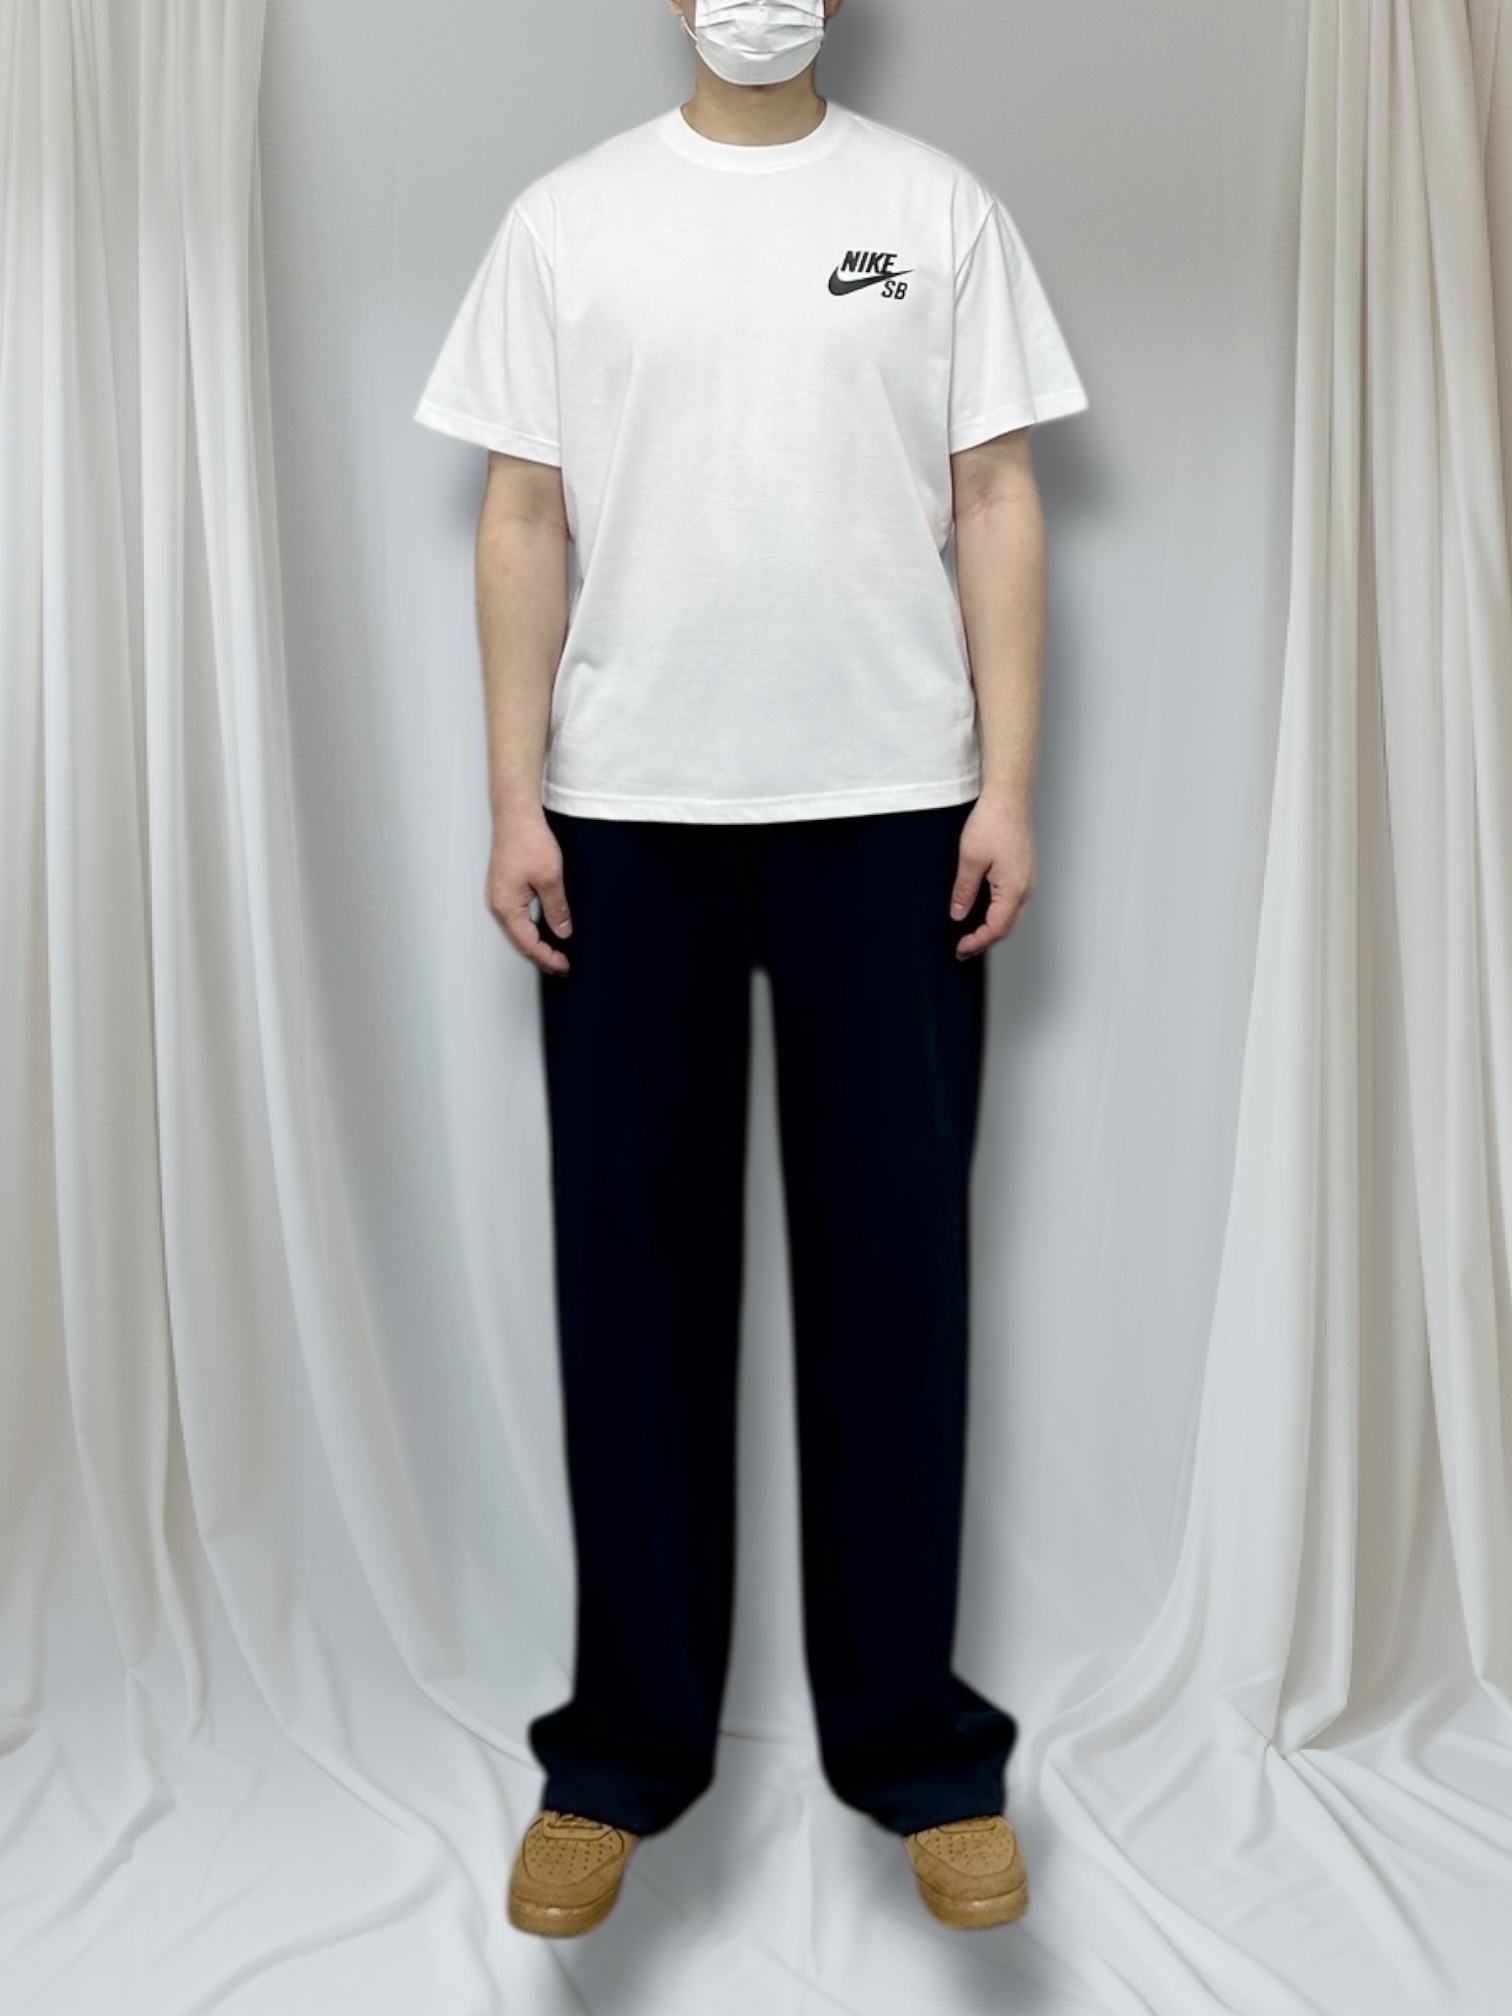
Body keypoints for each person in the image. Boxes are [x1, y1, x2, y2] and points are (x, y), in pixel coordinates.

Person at [414, 0, 1089, 1941]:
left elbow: (996, 496)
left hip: (894, 806)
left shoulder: (936, 210)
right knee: (634, 1286)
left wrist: (1009, 788)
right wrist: (515, 797)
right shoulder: (568, 222)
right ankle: (621, 1756)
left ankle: (918, 1757)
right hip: (628, 815)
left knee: (896, 1284)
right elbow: (520, 515)